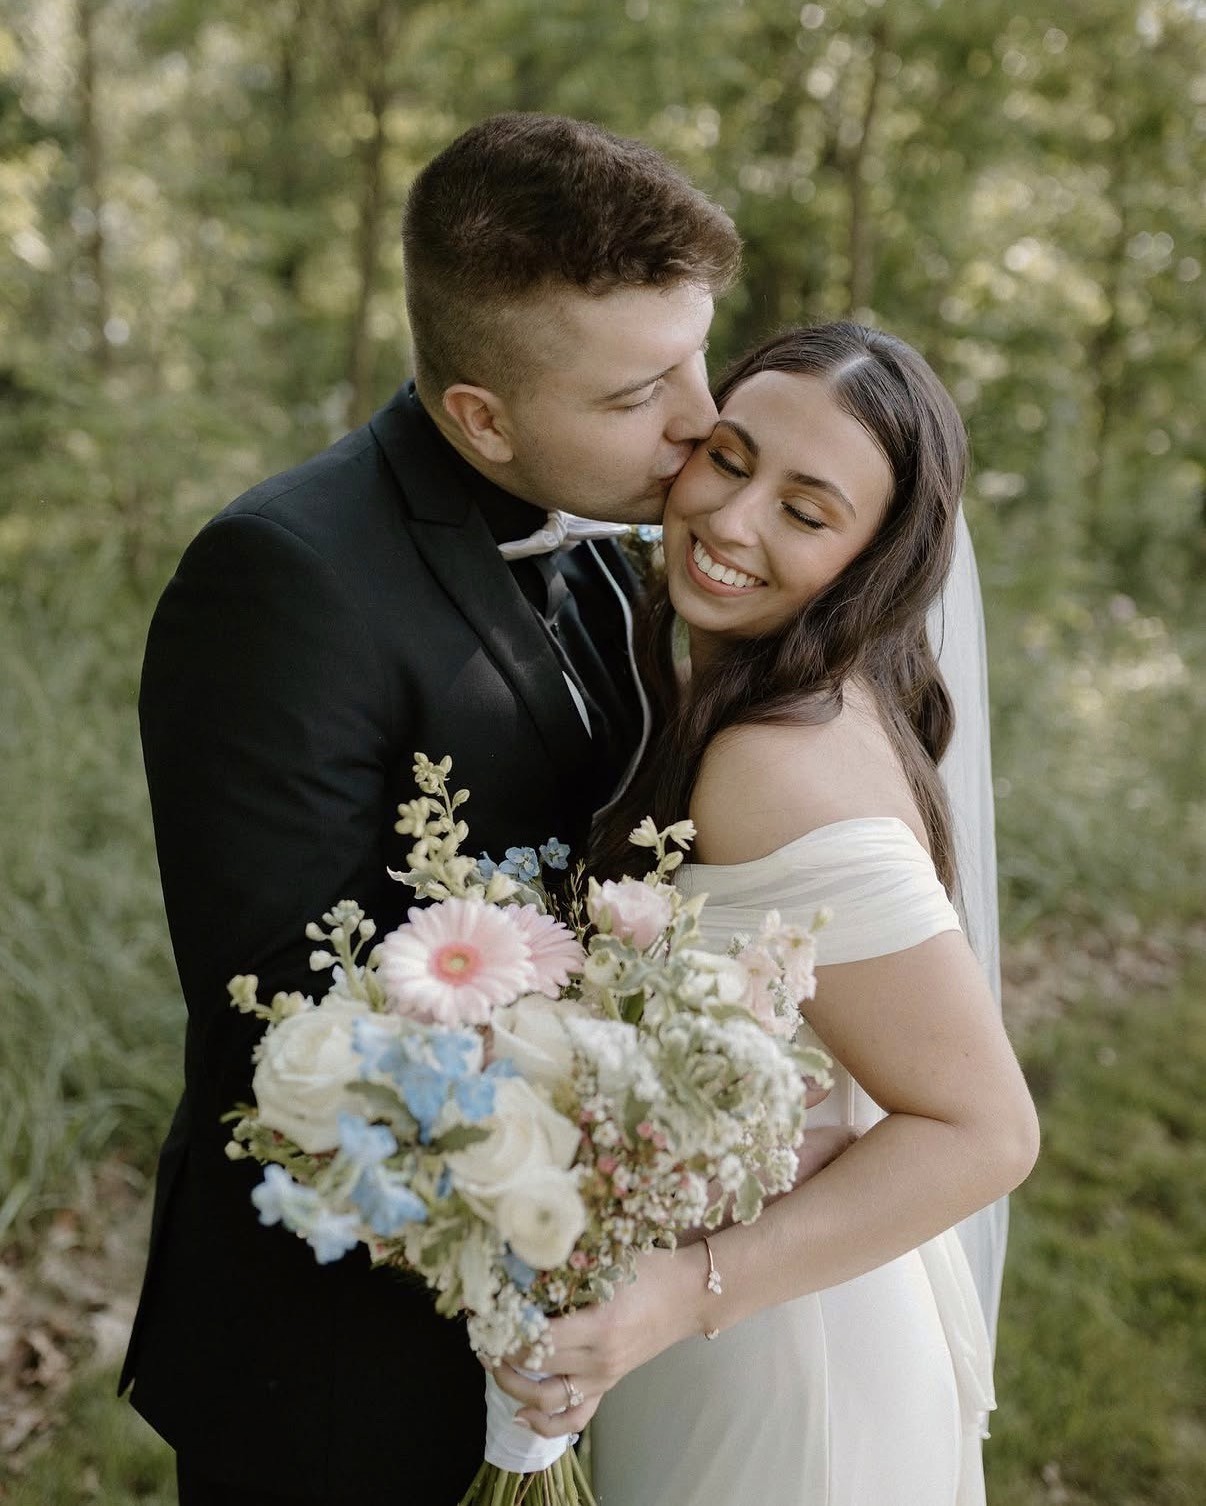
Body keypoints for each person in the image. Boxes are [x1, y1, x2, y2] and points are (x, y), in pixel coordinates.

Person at [121, 113, 741, 1505]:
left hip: (583, 1305)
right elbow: (278, 1006)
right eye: (640, 388)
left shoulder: (625, 542)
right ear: (480, 414)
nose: (702, 418)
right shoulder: (280, 579)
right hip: (341, 1353)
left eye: (699, 353)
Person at [489, 323, 1040, 1505]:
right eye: (730, 460)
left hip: (787, 1354)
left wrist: (680, 1291)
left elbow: (988, 1129)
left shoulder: (774, 765)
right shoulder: (764, 691)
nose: (733, 523)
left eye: (806, 509)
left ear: (870, 560)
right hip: (746, 1302)